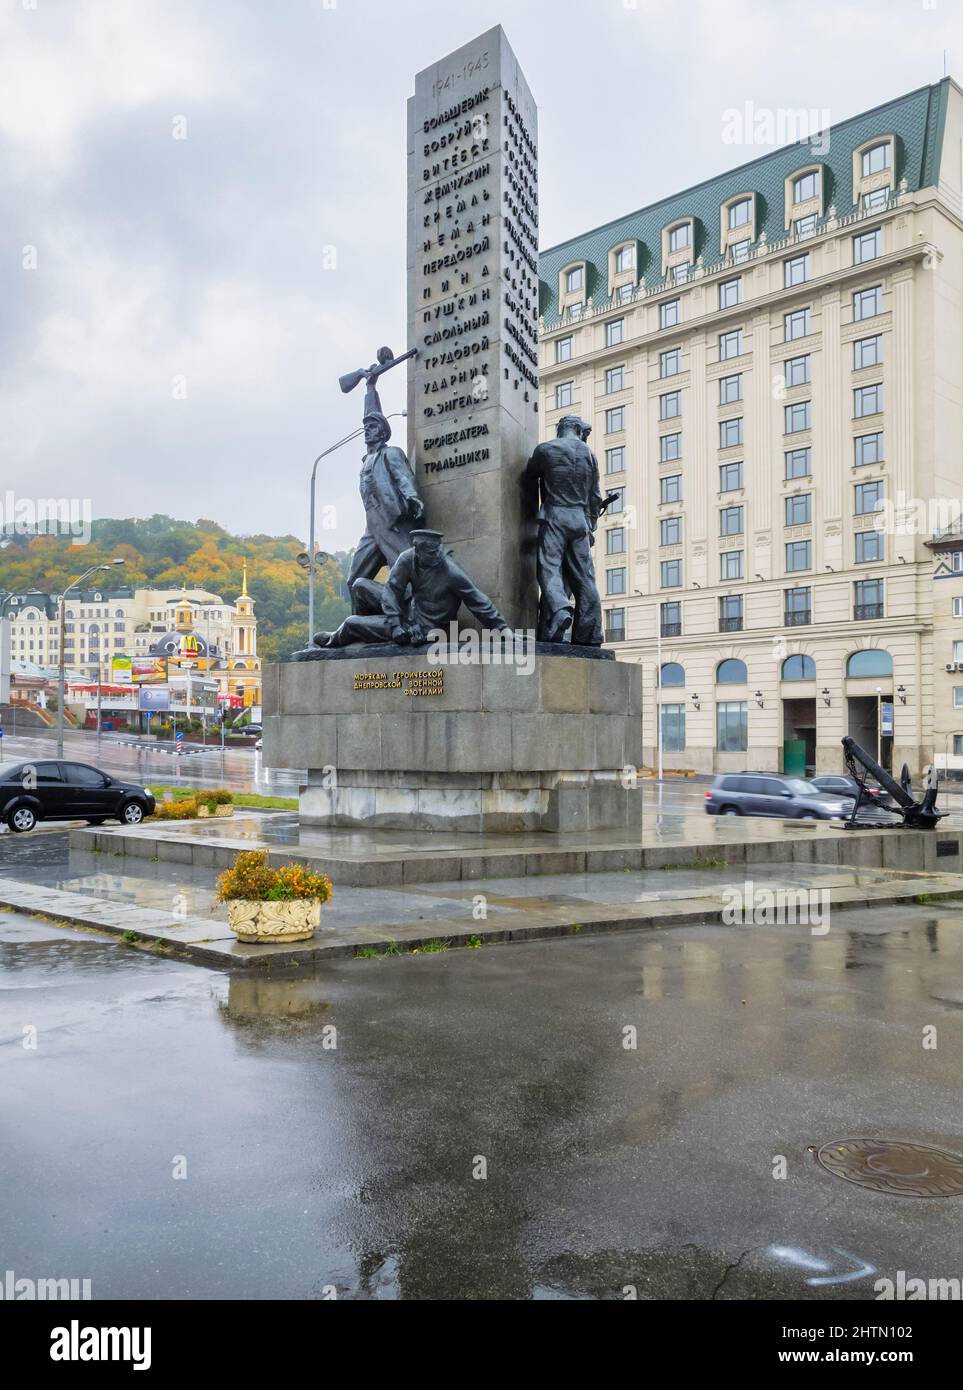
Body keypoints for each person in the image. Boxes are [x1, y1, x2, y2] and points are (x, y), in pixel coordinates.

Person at [314, 530, 508, 648]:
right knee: (359, 585)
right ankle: (375, 631)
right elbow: (391, 590)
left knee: (350, 623)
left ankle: (338, 637)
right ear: (418, 551)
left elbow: (478, 600)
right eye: (431, 553)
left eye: (437, 551)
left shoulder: (450, 570)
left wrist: (503, 629)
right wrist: (395, 624)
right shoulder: (408, 558)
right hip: (406, 612)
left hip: (423, 628)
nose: (437, 556)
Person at [344, 374, 425, 611]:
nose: (366, 431)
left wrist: (414, 499)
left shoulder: (391, 454)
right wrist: (370, 387)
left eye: (371, 428)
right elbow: (370, 413)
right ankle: (364, 626)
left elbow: (404, 478)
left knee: (409, 579)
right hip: (372, 527)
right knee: (353, 580)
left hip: (393, 523)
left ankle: (406, 620)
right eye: (365, 428)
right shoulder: (367, 459)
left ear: (382, 432)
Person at [525, 414, 605, 646]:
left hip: (555, 515)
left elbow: (530, 474)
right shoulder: (590, 455)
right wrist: (590, 526)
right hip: (579, 519)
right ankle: (589, 634)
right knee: (585, 577)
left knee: (549, 567)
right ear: (579, 431)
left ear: (561, 429)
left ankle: (560, 608)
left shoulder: (546, 449)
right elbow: (595, 496)